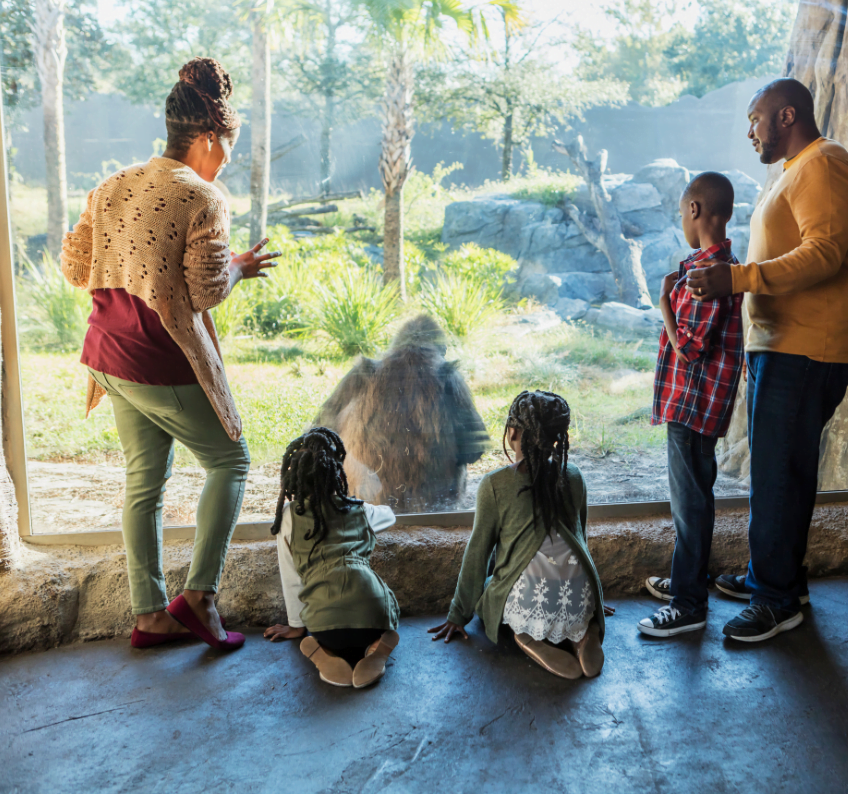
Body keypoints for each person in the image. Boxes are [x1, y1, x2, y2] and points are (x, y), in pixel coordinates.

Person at [60, 57, 280, 652]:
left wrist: (130, 261)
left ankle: (150, 615)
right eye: (228, 148)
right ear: (209, 138)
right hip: (158, 360)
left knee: (143, 483)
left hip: (108, 354)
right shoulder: (202, 196)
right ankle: (201, 597)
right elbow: (206, 290)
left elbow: (76, 265)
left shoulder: (112, 185)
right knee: (231, 463)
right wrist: (236, 269)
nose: (227, 162)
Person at [685, 78, 848, 642]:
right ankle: (777, 576)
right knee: (779, 470)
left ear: (787, 115)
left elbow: (824, 254)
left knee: (779, 475)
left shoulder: (824, 164)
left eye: (756, 118)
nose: (750, 131)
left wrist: (736, 279)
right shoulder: (794, 171)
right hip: (784, 343)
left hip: (808, 346)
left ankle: (776, 599)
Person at [428, 391, 612, 680]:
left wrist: (458, 614)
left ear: (512, 432)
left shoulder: (495, 485)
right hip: (579, 591)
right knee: (563, 572)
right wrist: (593, 596)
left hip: (531, 603)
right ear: (556, 438)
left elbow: (478, 553)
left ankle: (528, 637)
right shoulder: (574, 476)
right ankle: (583, 633)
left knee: (492, 588)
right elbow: (580, 539)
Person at [637, 173, 744, 638]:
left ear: (696, 211)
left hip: (692, 406)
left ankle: (688, 604)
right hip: (696, 405)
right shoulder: (713, 265)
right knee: (693, 497)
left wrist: (662, 300)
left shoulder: (706, 276)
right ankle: (688, 580)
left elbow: (690, 347)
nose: (682, 220)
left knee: (690, 504)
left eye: (683, 213)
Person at [262, 428, 401, 688]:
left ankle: (324, 651)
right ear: (337, 473)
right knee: (382, 609)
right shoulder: (358, 510)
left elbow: (291, 578)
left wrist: (295, 626)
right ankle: (376, 647)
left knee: (323, 627)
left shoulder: (289, 517)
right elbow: (390, 516)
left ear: (293, 478)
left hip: (326, 626)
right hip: (373, 617)